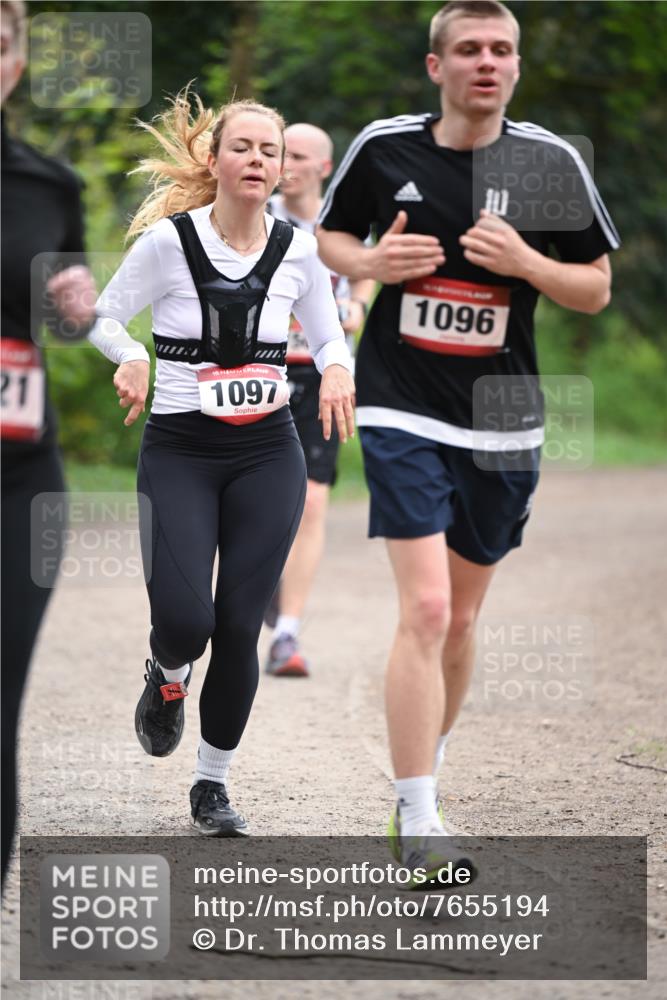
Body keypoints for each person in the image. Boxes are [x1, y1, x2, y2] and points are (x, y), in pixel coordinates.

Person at [317, 0, 619, 878]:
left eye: (501, 51)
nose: (487, 63)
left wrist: (526, 263)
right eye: (469, 50)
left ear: (515, 67)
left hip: (501, 414)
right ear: (434, 66)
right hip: (400, 399)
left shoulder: (549, 162)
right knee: (427, 609)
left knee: (463, 618)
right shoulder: (385, 147)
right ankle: (418, 820)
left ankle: (425, 776)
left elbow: (594, 288)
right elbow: (331, 237)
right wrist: (370, 263)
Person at [87, 89, 355, 836]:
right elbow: (104, 317)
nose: (256, 160)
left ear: (280, 171)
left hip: (268, 450)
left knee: (239, 624)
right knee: (184, 620)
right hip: (180, 449)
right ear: (214, 158)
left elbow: (328, 335)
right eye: (242, 147)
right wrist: (132, 355)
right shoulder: (168, 244)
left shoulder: (298, 248)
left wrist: (336, 368)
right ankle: (166, 676)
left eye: (269, 152)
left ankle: (211, 785)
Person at [1, 0, 97, 885]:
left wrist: (74, 306)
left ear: (18, 62)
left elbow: (62, 304)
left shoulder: (46, 185)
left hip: (19, 477)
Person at [264, 123, 374, 677]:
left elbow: (364, 275)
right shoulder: (256, 216)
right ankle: (260, 586)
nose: (286, 164)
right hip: (261, 370)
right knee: (251, 498)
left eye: (299, 156)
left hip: (325, 376)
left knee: (309, 502)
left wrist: (356, 305)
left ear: (323, 168)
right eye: (282, 152)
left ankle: (287, 633)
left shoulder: (341, 222)